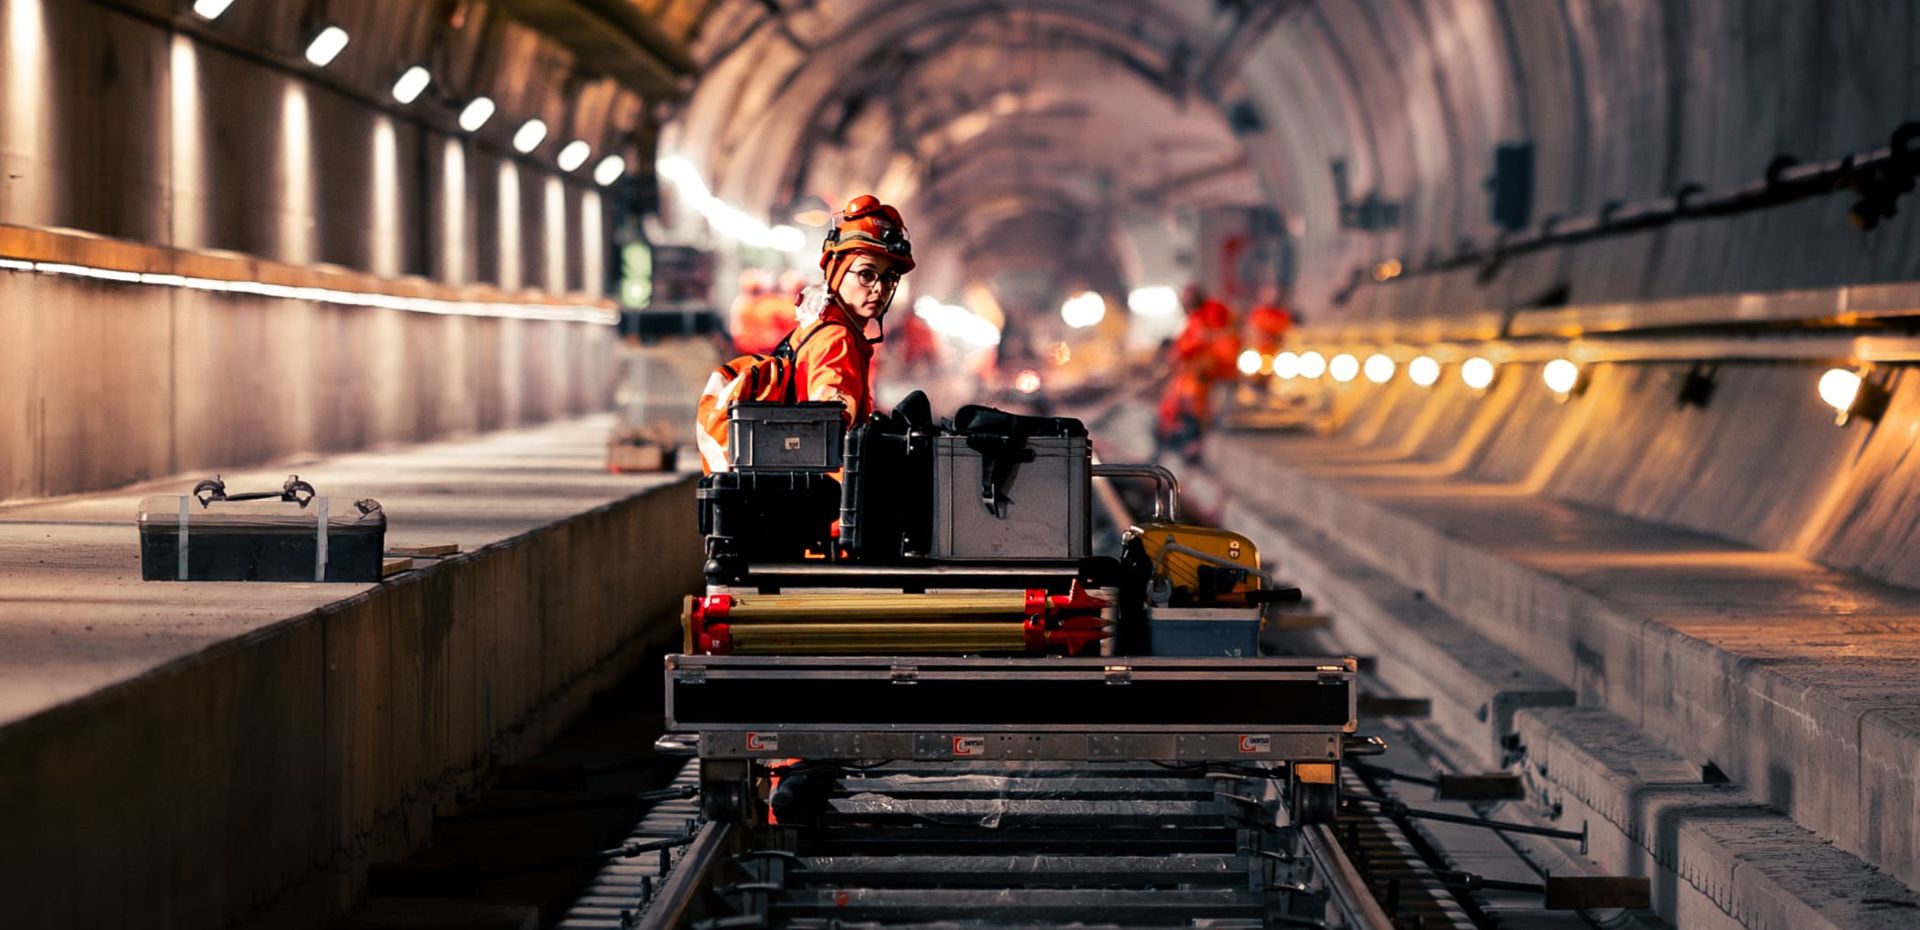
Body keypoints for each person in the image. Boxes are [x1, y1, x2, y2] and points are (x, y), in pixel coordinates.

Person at [789, 194, 917, 427]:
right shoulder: (837, 339)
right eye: (866, 274)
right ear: (836, 273)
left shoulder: (825, 329)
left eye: (889, 278)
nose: (879, 288)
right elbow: (830, 423)